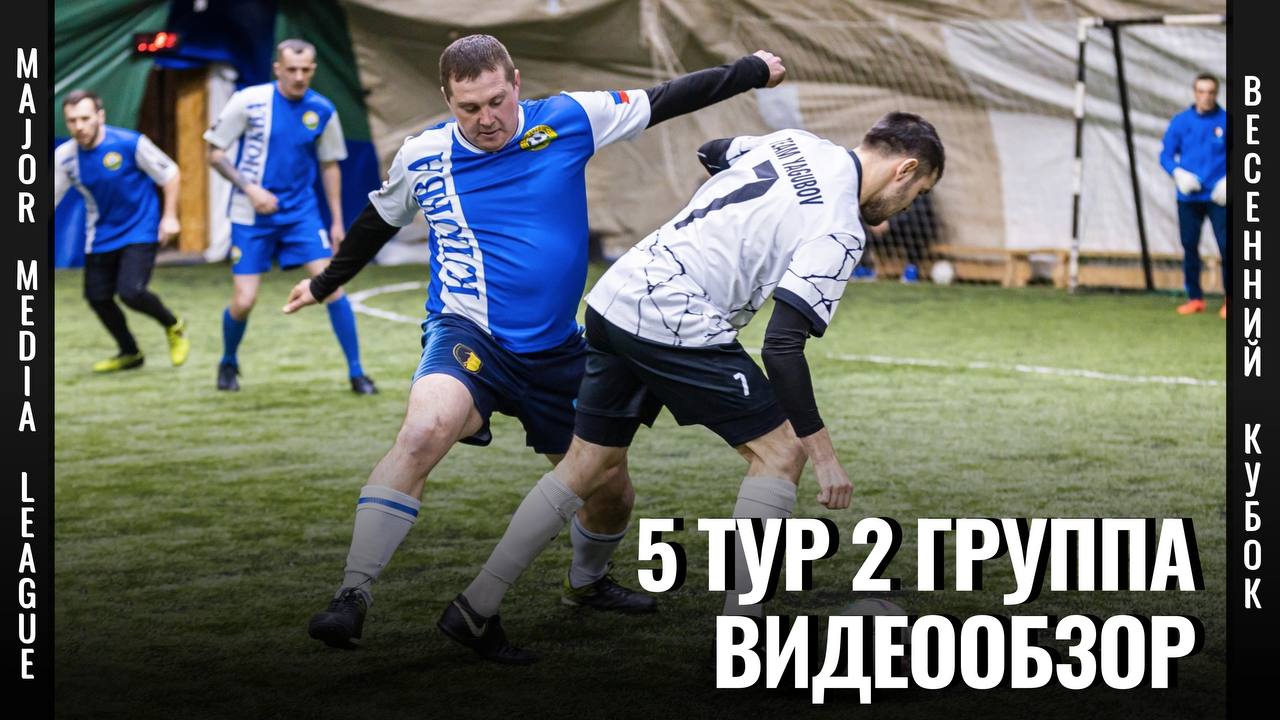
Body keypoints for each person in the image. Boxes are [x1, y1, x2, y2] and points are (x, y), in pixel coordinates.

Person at [284, 34, 787, 651]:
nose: (486, 118)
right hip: (468, 334)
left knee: (610, 491)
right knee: (422, 432)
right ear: (447, 99)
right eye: (469, 108)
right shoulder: (423, 155)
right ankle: (352, 595)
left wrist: (751, 70)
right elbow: (377, 221)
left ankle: (587, 582)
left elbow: (664, 99)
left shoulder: (571, 118)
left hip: (558, 351)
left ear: (516, 83)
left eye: (496, 101)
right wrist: (324, 282)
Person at [439, 112, 944, 663]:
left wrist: (736, 226)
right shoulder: (841, 228)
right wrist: (824, 456)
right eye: (918, 192)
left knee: (587, 465)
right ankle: (742, 637)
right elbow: (781, 346)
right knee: (781, 454)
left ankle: (475, 605)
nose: (909, 205)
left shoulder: (794, 142)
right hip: (676, 314)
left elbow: (714, 150)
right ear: (905, 169)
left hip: (618, 291)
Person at [204, 38, 376, 393]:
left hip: (301, 214)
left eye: (305, 70)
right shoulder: (249, 101)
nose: (299, 77)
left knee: (332, 287)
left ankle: (358, 373)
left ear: (313, 70)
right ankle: (228, 362)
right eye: (292, 69)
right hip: (250, 214)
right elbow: (214, 152)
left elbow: (330, 164)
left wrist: (337, 221)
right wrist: (250, 189)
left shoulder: (322, 110)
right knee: (244, 300)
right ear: (277, 69)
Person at [54, 90, 190, 373]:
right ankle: (130, 353)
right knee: (98, 298)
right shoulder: (66, 157)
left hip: (140, 228)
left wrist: (169, 217)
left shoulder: (131, 143)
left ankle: (173, 325)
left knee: (131, 292)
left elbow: (170, 174)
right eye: (72, 121)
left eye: (85, 119)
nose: (79, 126)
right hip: (100, 234)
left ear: (100, 116)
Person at [1160, 72, 1227, 318]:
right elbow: (1166, 155)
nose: (1206, 97)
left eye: (1210, 92)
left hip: (1220, 196)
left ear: (1216, 94)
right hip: (1189, 197)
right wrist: (1178, 173)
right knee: (1189, 246)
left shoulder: (1227, 121)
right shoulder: (1181, 122)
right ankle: (1195, 297)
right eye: (1201, 92)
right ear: (1194, 93)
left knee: (1227, 247)